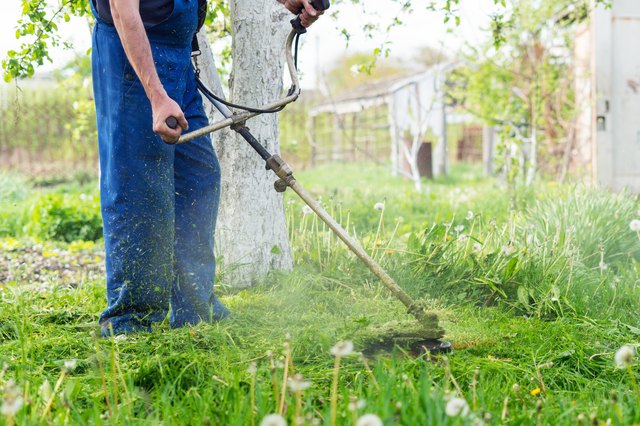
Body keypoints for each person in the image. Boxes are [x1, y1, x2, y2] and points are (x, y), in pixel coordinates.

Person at [91, 0, 322, 336]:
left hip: (179, 59)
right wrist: (157, 97)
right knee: (139, 187)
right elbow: (122, 11)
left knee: (199, 179)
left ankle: (194, 308)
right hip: (131, 57)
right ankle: (132, 319)